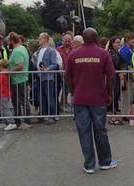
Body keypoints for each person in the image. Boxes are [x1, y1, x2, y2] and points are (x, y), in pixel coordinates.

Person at [65, 27, 117, 174]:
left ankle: (89, 165)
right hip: (98, 98)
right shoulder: (103, 53)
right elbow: (111, 76)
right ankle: (105, 162)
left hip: (80, 98)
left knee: (84, 131)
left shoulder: (74, 54)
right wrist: (109, 93)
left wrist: (73, 91)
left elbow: (67, 76)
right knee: (100, 130)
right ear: (96, 38)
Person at [7, 33, 32, 129]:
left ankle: (26, 121)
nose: (8, 43)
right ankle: (18, 121)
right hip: (21, 79)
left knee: (21, 101)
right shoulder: (22, 48)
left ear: (12, 41)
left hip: (18, 79)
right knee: (19, 101)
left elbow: (20, 65)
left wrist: (9, 71)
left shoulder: (16, 51)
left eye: (8, 41)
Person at [35, 32, 60, 124]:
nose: (38, 39)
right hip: (39, 76)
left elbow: (54, 64)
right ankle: (42, 115)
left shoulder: (51, 51)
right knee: (41, 97)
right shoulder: (39, 50)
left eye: (40, 38)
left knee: (49, 97)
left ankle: (52, 116)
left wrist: (47, 69)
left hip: (48, 77)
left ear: (45, 39)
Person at [107, 36, 128, 125]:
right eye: (118, 42)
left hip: (116, 77)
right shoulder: (112, 53)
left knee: (115, 97)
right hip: (114, 78)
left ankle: (113, 116)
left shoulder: (115, 52)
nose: (120, 44)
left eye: (120, 42)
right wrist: (121, 71)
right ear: (113, 44)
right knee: (114, 97)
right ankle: (112, 117)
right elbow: (118, 64)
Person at [0, 59, 17, 131]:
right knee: (4, 108)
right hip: (7, 92)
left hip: (3, 93)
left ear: (0, 66)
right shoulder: (7, 73)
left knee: (4, 108)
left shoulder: (0, 74)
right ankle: (5, 121)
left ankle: (11, 122)